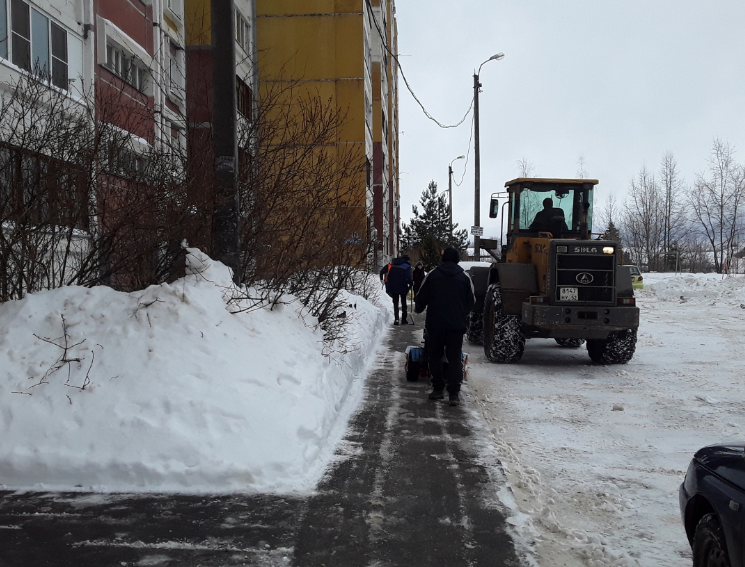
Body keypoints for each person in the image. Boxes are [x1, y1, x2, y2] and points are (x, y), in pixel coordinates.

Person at [414, 248, 475, 406]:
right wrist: (462, 314)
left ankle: (438, 389)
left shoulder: (432, 276)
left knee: (435, 356)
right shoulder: (464, 277)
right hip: (456, 326)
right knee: (454, 359)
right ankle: (454, 393)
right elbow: (471, 302)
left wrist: (419, 308)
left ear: (443, 260)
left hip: (436, 325)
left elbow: (421, 297)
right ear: (457, 260)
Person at [380, 255, 413, 325]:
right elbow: (408, 277)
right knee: (404, 302)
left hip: (393, 285)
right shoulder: (407, 266)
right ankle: (404, 319)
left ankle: (396, 319)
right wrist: (411, 283)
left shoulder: (393, 265)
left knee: (395, 303)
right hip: (403, 286)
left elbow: (389, 275)